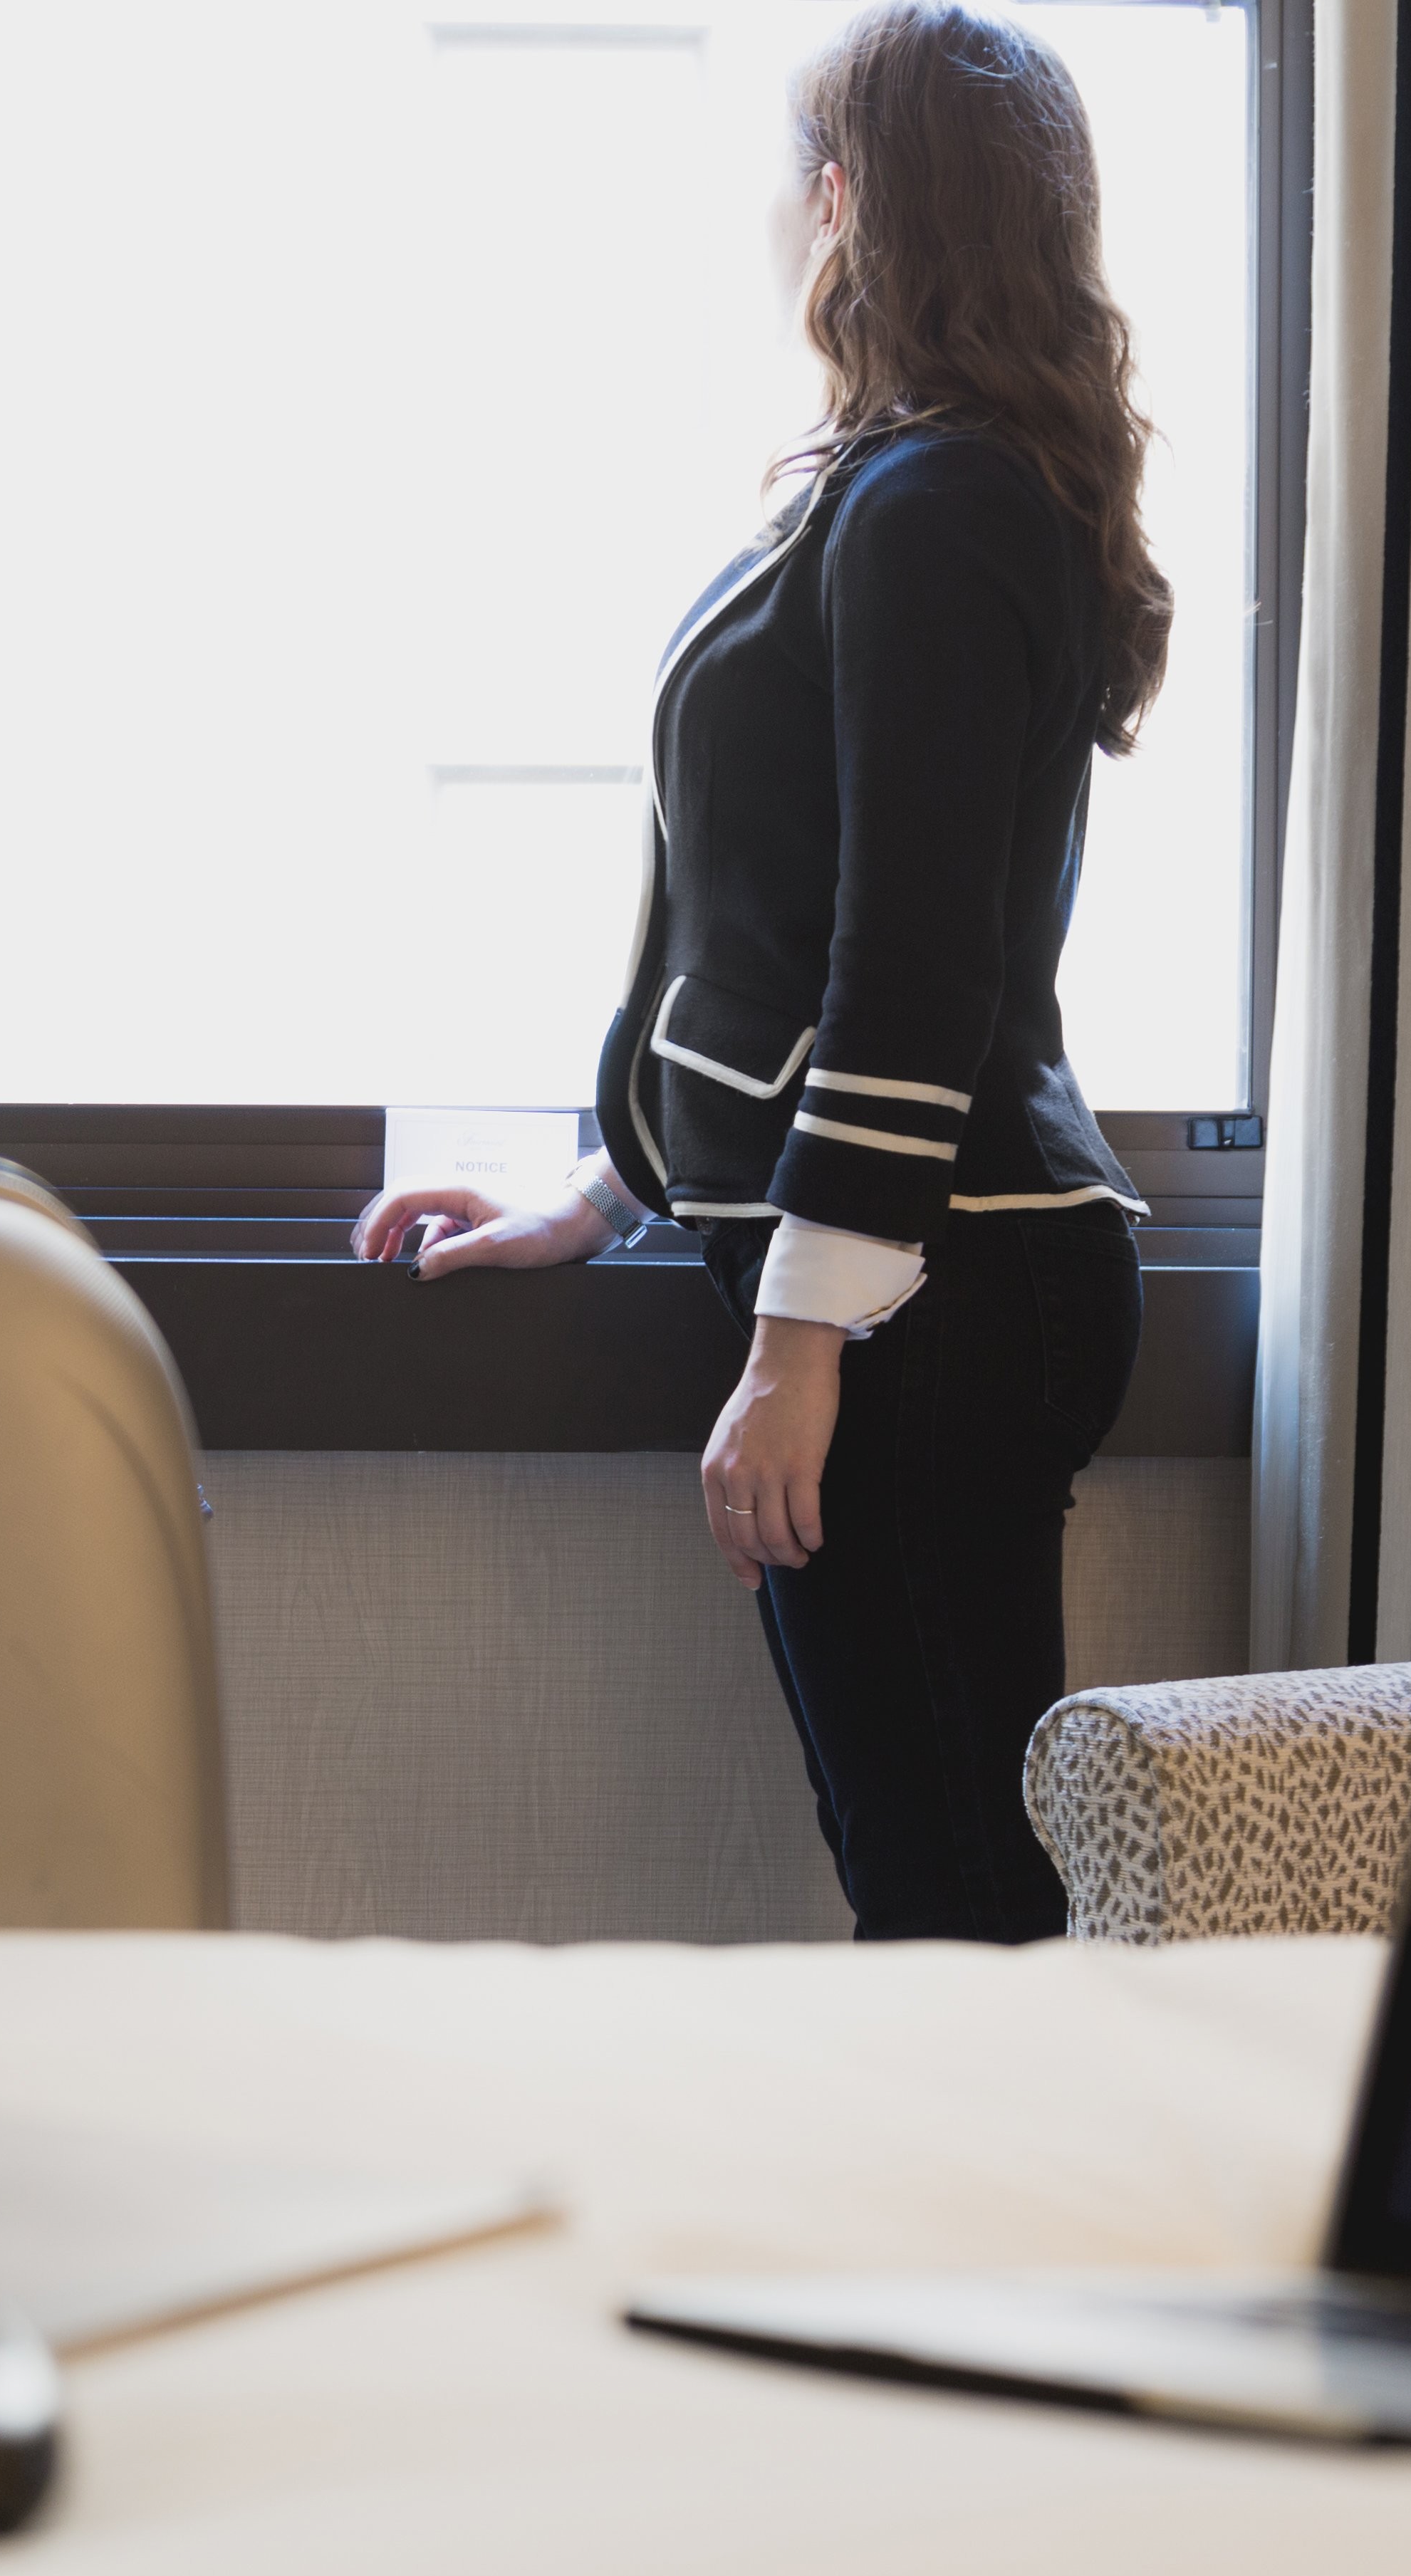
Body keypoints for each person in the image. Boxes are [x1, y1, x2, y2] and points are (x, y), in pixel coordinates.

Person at [351, 4, 1164, 1942]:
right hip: (924, 1274)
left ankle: (1012, 2245)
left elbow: (912, 966)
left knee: (950, 1903)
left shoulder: (937, 505)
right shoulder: (909, 495)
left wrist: (800, 1342)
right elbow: (772, 933)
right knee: (930, 1882)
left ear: (850, 196)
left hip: (937, 1289)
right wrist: (604, 1190)